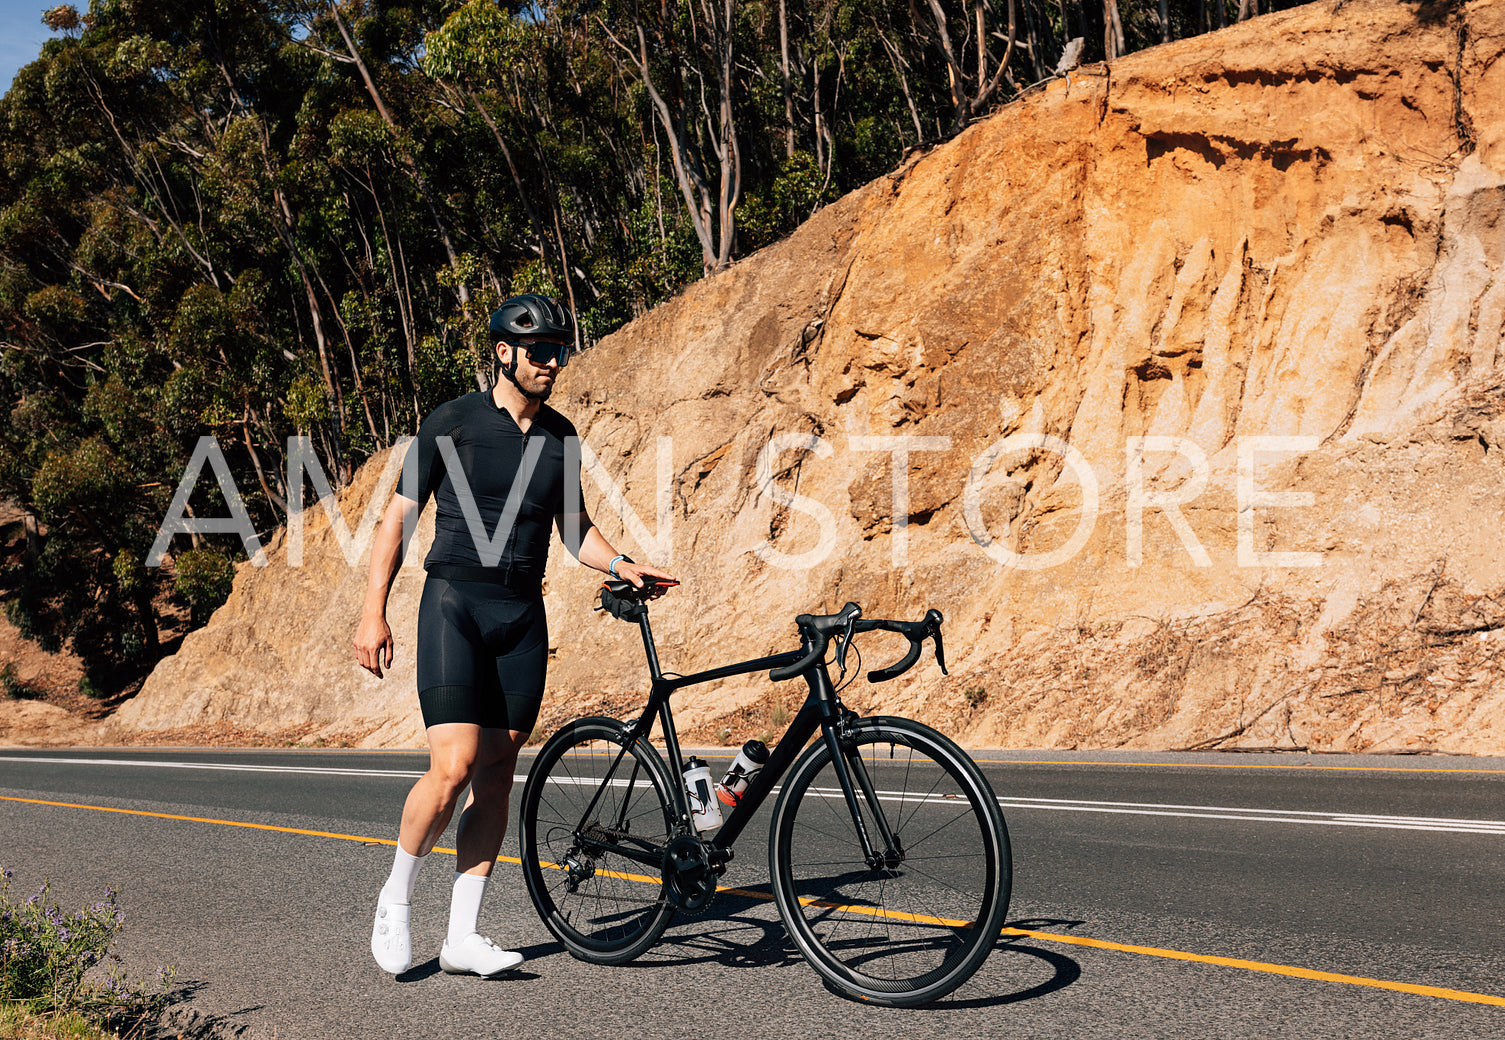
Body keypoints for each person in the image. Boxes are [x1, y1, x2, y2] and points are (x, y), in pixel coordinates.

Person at [353, 294, 675, 977]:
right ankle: (396, 898)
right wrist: (371, 610)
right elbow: (398, 519)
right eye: (539, 352)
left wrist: (621, 562)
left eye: (560, 350)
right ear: (503, 352)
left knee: (498, 777)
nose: (553, 362)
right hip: (454, 604)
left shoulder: (562, 437)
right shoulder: (453, 422)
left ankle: (462, 936)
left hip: (521, 616)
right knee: (453, 767)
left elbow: (574, 530)